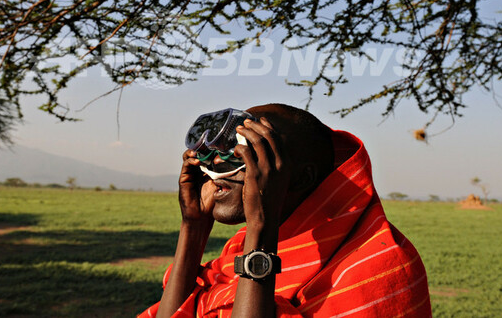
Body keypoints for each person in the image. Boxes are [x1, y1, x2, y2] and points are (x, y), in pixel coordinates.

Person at [140, 103, 431, 317]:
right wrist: (193, 228)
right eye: (221, 154)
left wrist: (261, 229)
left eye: (249, 153)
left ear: (300, 177)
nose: (218, 165)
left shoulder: (379, 265)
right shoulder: (238, 250)